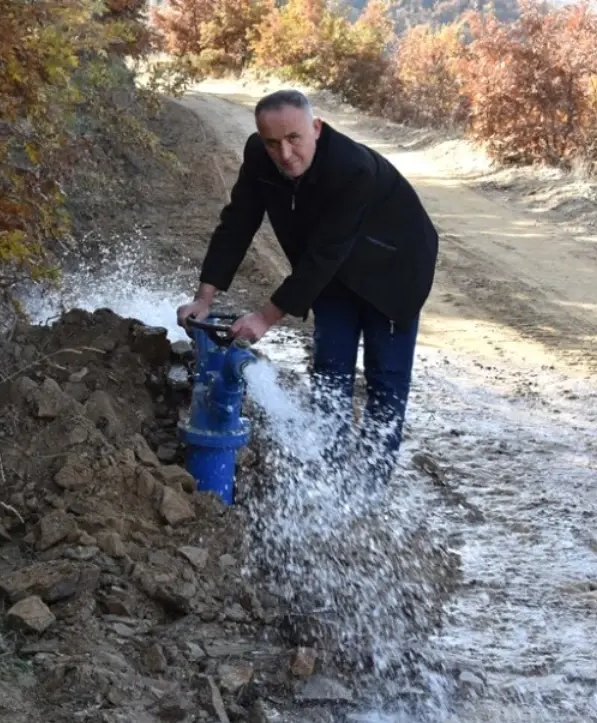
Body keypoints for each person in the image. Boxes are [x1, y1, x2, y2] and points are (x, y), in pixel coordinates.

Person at [176, 88, 439, 478]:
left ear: (315, 128)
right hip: (333, 270)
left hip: (395, 269)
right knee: (330, 369)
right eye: (272, 142)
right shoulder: (259, 158)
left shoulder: (353, 170)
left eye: (294, 138)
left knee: (385, 379)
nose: (284, 154)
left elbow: (323, 255)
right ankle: (330, 472)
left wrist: (265, 317)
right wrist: (204, 297)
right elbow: (238, 223)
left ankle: (372, 482)